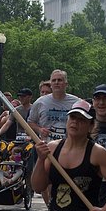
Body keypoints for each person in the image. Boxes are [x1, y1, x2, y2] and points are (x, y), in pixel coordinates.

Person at [28, 70, 80, 203]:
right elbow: (30, 122)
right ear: (50, 83)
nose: (57, 83)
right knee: (46, 181)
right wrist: (40, 129)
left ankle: (61, 205)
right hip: (47, 148)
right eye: (54, 80)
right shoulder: (41, 102)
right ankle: (50, 208)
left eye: (60, 80)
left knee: (65, 179)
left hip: (68, 147)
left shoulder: (75, 102)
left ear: (66, 83)